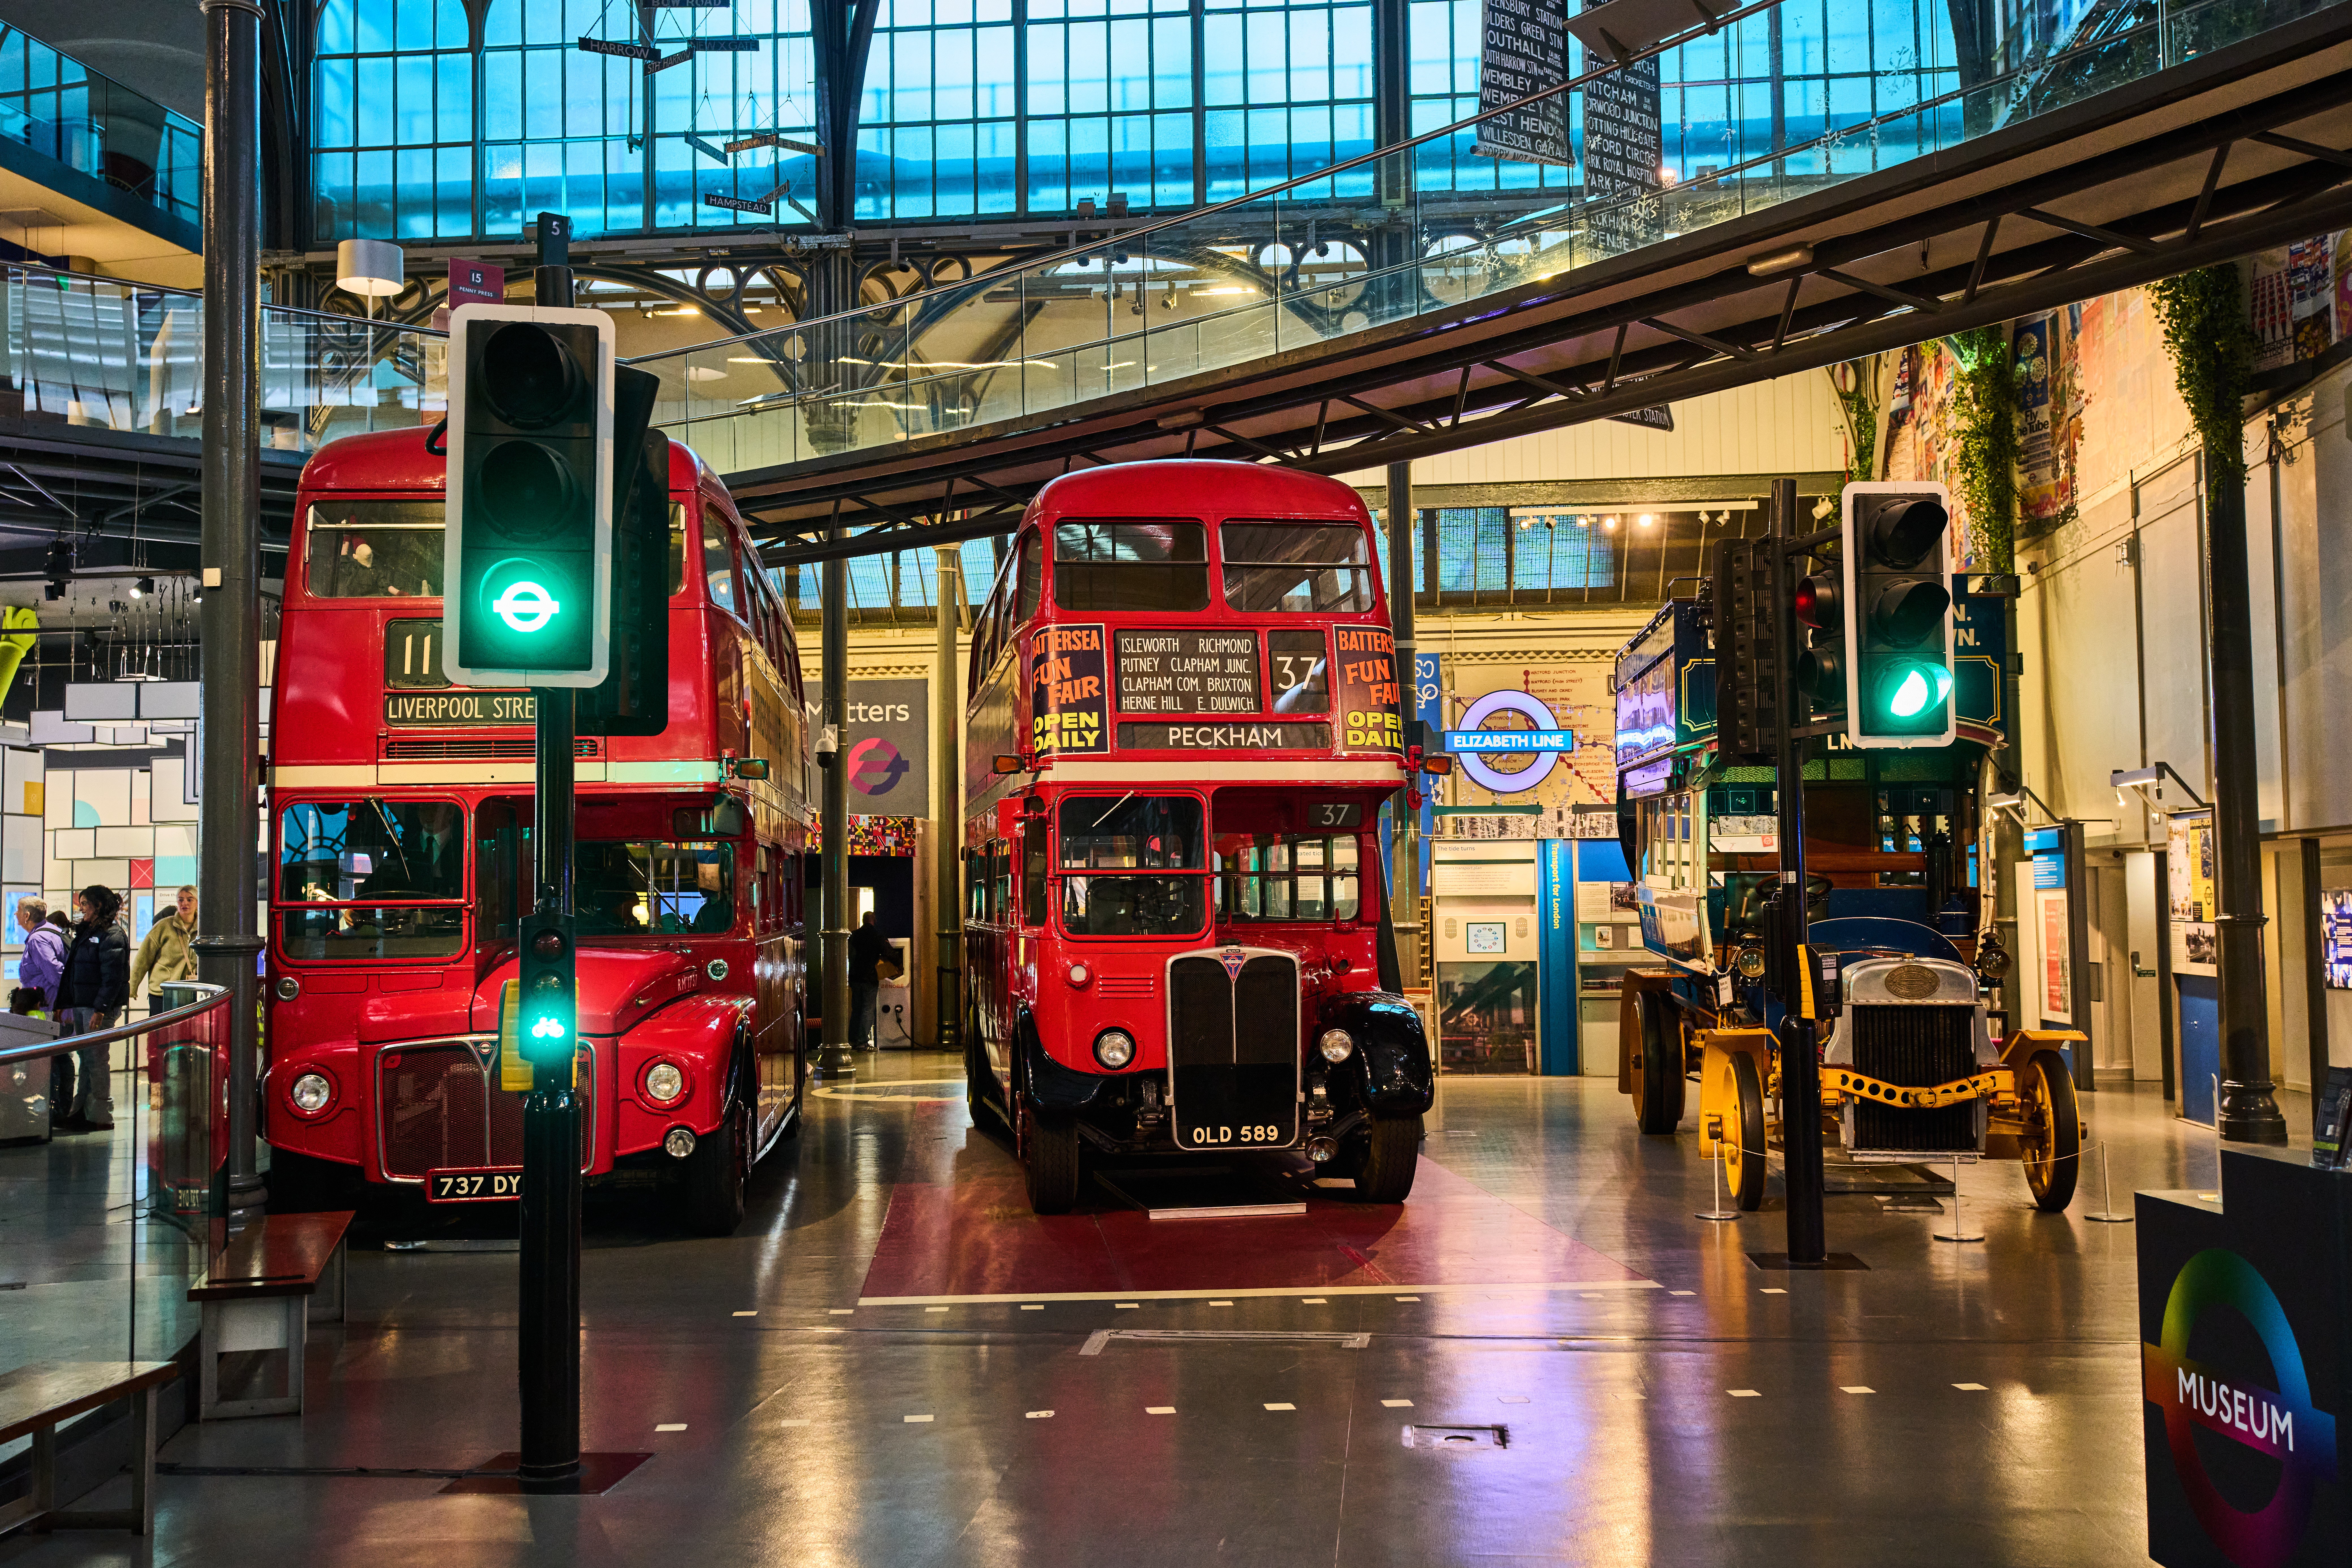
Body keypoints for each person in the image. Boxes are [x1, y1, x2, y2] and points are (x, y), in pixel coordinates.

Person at [53, 885, 129, 1132]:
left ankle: (101, 1115)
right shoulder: (87, 933)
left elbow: (113, 978)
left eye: (85, 904)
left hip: (98, 1008)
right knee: (87, 1059)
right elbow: (72, 972)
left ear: (98, 906)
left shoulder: (113, 936)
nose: (81, 909)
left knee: (97, 1061)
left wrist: (100, 1009)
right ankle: (81, 1112)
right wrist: (64, 1004)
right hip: (83, 1004)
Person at [130, 885, 198, 1014]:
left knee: (186, 1032)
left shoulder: (203, 929)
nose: (185, 904)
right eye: (181, 900)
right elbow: (143, 958)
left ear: (197, 903)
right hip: (162, 992)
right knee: (160, 1032)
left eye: (190, 900)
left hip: (191, 992)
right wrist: (133, 987)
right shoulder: (164, 926)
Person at [847, 910, 896, 1051]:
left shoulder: (854, 936)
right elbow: (889, 952)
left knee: (856, 1009)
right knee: (868, 1010)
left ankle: (853, 1041)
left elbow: (850, 956)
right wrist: (900, 966)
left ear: (863, 921)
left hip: (856, 978)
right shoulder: (877, 936)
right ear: (874, 921)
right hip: (870, 978)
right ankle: (863, 1042)